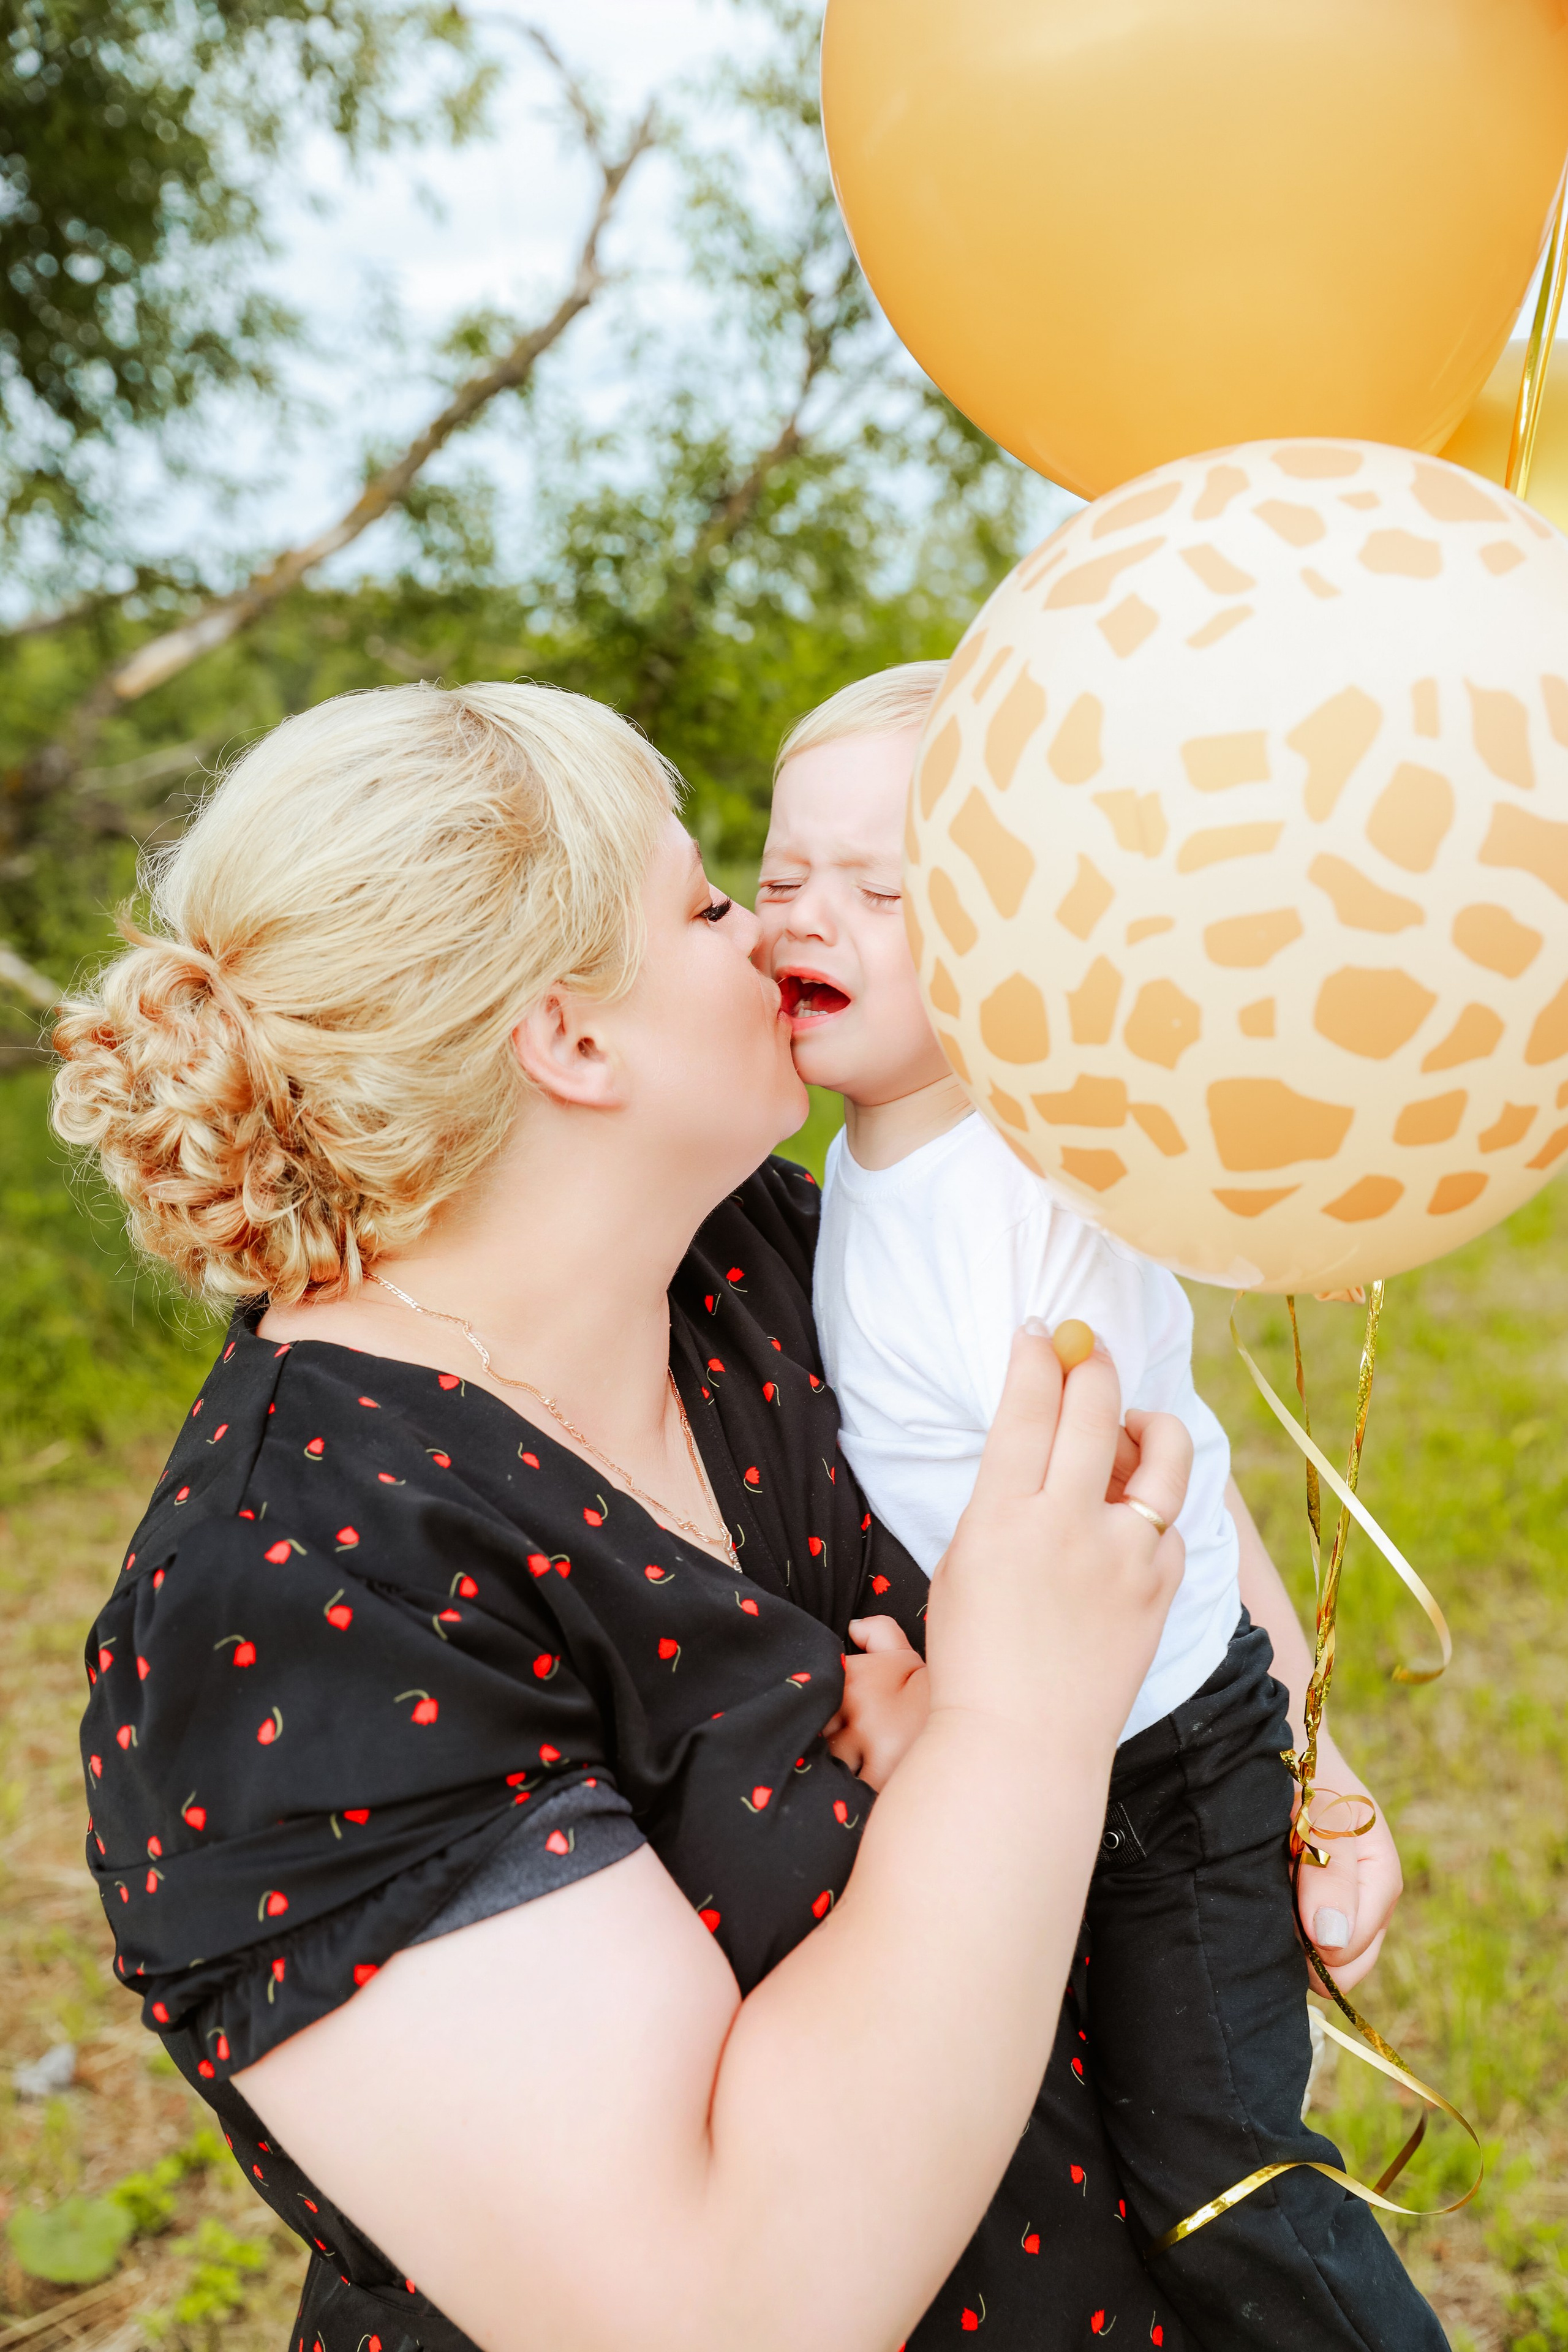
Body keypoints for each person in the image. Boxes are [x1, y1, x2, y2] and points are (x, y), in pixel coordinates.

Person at [56, 680, 1196, 2352]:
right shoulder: (289, 1590)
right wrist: (1019, 1731)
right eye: (713, 902)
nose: (765, 937)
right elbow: (718, 2313)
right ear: (572, 1038)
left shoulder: (773, 1261)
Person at [756, 662, 1448, 2351]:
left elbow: (1115, 1501)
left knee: (1218, 2177)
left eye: (882, 890)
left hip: (1156, 1759)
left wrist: (1305, 1766)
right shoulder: (866, 1149)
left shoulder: (1027, 1196)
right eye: (778, 878)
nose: (805, 919)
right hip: (1058, 1739)